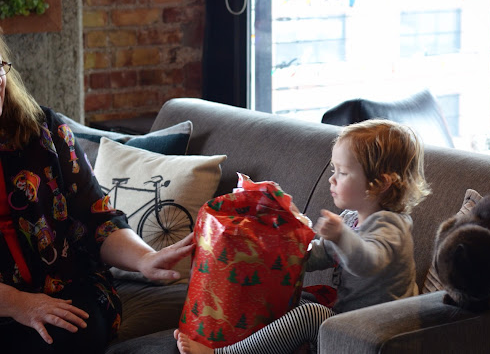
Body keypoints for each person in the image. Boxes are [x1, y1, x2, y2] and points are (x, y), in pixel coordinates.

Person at [0, 33, 194, 354]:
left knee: (69, 333)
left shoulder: (44, 131)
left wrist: (145, 258)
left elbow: (98, 220)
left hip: (68, 288)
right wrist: (18, 303)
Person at [174, 118, 431, 354]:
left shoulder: (390, 226)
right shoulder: (351, 218)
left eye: (342, 172)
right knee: (291, 304)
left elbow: (368, 263)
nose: (332, 180)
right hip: (349, 322)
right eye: (333, 170)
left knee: (309, 314)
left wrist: (340, 236)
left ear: (380, 183)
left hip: (378, 336)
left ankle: (222, 353)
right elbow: (314, 256)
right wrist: (286, 228)